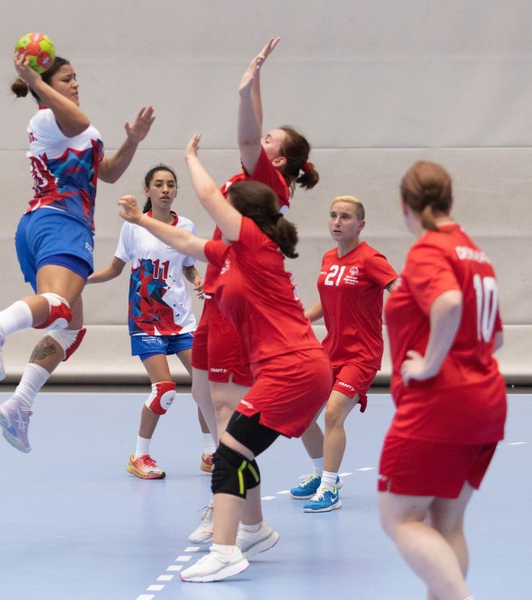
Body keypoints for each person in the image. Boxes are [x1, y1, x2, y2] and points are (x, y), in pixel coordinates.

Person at [117, 134, 332, 583]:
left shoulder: (254, 242)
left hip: (294, 369)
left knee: (229, 454)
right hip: (286, 369)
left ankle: (226, 550)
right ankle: (253, 529)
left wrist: (191, 157)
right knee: (235, 449)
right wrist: (139, 219)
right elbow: (184, 240)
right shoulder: (230, 255)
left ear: (243, 215)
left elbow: (209, 195)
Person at [0, 52, 155, 453]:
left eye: (75, 78)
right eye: (67, 79)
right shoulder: (48, 119)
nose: (76, 84)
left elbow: (109, 171)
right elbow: (78, 120)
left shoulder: (79, 130)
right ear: (46, 86)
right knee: (59, 306)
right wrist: (35, 80)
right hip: (61, 223)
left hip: (44, 225)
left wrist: (132, 141)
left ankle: (20, 404)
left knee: (69, 328)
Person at [188, 36, 320, 545]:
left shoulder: (266, 184)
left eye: (273, 144)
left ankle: (248, 523)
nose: (263, 144)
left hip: (235, 308)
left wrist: (245, 96)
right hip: (216, 298)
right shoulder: (256, 177)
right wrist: (254, 78)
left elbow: (250, 138)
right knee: (204, 397)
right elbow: (257, 134)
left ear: (281, 162)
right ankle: (238, 511)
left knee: (228, 412)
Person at [378, 161, 507, 600]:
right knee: (446, 522)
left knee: (398, 519)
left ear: (404, 205)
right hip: (486, 402)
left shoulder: (429, 249)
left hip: (439, 404)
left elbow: (449, 302)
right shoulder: (474, 251)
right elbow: (498, 335)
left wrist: (431, 364)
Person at [88, 164, 213, 479]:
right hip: (146, 320)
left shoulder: (186, 225)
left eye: (171, 184)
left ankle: (211, 452)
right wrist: (83, 280)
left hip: (182, 320)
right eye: (158, 184)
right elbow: (116, 268)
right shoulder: (133, 226)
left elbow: (187, 265)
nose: (166, 189)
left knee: (207, 387)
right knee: (165, 390)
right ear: (148, 191)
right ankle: (139, 456)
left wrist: (197, 278)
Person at [289, 196, 398, 512]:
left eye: (346, 217)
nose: (337, 222)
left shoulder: (371, 259)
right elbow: (328, 300)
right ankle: (323, 472)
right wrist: (302, 318)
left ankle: (328, 488)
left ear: (360, 225)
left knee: (333, 412)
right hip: (330, 351)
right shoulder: (328, 258)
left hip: (361, 355)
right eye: (333, 215)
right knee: (300, 414)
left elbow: (399, 288)